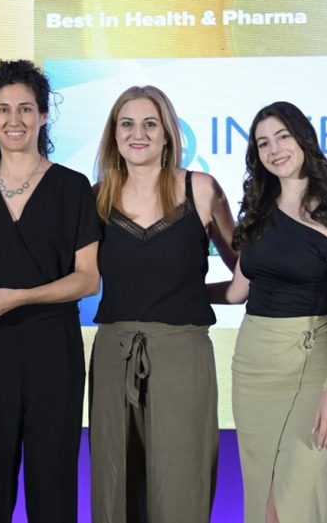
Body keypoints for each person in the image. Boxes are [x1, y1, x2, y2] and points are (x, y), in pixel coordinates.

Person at [0, 59, 101, 522]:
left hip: (52, 350)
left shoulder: (73, 187)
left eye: (25, 108)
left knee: (53, 487)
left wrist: (20, 296)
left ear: (43, 114)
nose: (13, 119)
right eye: (3, 109)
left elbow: (88, 279)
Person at [218, 101, 327, 523]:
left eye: (283, 136)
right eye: (263, 143)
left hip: (314, 362)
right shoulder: (257, 211)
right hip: (253, 366)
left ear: (303, 138)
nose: (275, 149)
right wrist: (172, 293)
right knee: (262, 499)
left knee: (294, 502)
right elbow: (237, 291)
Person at [89, 86, 237, 523]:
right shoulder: (95, 197)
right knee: (115, 483)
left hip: (182, 354)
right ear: (114, 134)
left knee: (181, 482)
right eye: (127, 124)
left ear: (168, 133)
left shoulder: (201, 189)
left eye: (150, 124)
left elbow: (245, 276)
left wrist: (191, 293)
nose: (138, 134)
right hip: (114, 354)